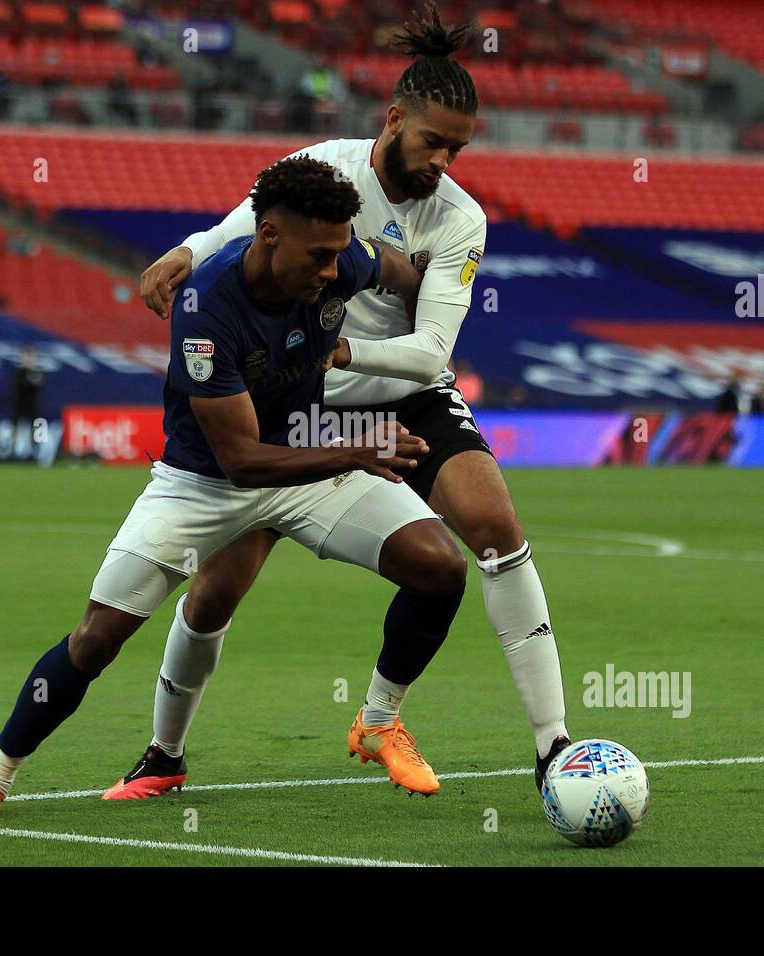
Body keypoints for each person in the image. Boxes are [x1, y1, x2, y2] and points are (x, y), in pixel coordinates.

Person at [131, 2, 571, 800]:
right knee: (215, 591)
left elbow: (433, 352)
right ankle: (164, 755)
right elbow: (240, 229)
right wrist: (187, 251)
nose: (443, 159)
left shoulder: (461, 219)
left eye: (458, 148)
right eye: (432, 140)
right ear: (393, 117)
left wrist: (345, 348)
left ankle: (546, 746)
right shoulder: (326, 168)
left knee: (495, 531)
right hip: (301, 399)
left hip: (404, 391)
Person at [0, 157, 464, 821]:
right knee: (98, 636)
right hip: (204, 482)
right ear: (268, 236)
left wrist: (441, 300)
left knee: (440, 568)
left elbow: (400, 272)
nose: (333, 272)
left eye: (339, 255)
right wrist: (360, 450)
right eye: (319, 256)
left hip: (310, 454)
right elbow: (242, 461)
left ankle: (378, 721)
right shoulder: (207, 309)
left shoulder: (344, 259)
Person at [11, 345, 44, 456]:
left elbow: (39, 386)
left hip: (33, 404)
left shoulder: (37, 371)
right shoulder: (19, 372)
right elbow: (19, 387)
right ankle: (13, 451)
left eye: (31, 356)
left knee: (35, 427)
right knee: (16, 427)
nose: (29, 358)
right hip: (20, 403)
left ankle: (35, 451)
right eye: (27, 356)